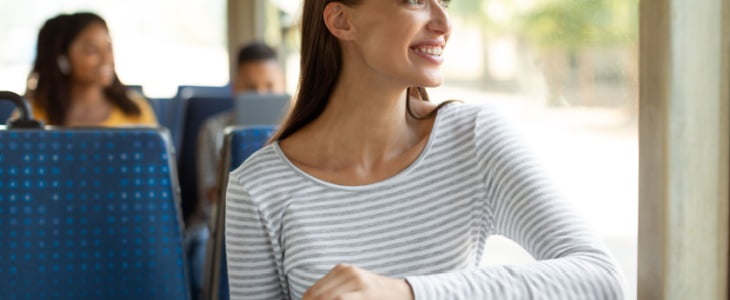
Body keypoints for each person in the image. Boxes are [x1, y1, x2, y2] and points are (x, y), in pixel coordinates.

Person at [225, 0, 625, 299]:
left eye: (445, 1)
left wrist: (405, 292)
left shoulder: (474, 137)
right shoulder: (257, 188)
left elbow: (599, 277)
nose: (444, 22)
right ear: (342, 20)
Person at [12, 12, 157, 127]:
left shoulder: (135, 109)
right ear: (62, 59)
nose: (107, 58)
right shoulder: (31, 113)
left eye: (108, 47)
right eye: (92, 50)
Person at [196, 42, 285, 208]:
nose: (260, 95)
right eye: (251, 87)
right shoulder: (212, 129)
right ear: (235, 88)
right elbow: (207, 197)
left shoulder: (299, 130)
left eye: (270, 86)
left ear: (283, 85)